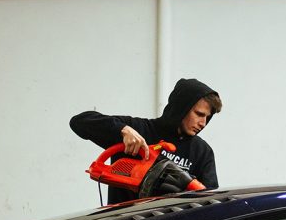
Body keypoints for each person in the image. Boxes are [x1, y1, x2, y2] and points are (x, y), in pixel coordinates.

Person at [70, 77, 222, 203]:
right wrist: (122, 130)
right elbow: (79, 122)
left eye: (207, 117)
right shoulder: (138, 129)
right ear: (181, 107)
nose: (203, 123)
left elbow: (209, 203)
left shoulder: (202, 152)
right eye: (199, 114)